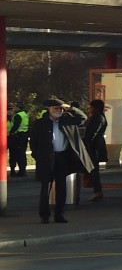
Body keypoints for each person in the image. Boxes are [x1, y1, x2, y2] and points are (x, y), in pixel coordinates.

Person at [29, 96, 93, 224]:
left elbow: (83, 118)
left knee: (62, 187)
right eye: (55, 108)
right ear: (49, 109)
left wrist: (70, 108)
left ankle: (59, 214)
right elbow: (34, 143)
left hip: (62, 157)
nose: (59, 110)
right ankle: (44, 215)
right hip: (47, 158)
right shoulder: (40, 123)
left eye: (60, 108)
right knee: (45, 187)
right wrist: (39, 156)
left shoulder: (67, 120)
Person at [82, 99, 108, 202]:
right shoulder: (100, 117)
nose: (90, 109)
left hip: (94, 147)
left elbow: (91, 134)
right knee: (93, 169)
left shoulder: (97, 118)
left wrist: (86, 142)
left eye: (92, 107)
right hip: (96, 146)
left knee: (94, 170)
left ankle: (97, 191)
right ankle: (97, 190)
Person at [8, 101, 30, 177]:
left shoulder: (17, 115)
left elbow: (15, 126)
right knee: (22, 154)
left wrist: (11, 132)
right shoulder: (25, 114)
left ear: (18, 107)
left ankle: (20, 171)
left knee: (16, 154)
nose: (14, 108)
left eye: (15, 107)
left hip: (18, 136)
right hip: (24, 135)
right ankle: (22, 170)